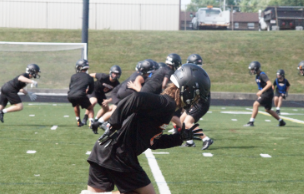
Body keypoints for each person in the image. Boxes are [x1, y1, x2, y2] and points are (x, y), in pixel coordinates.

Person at [81, 64, 210, 194]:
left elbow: (153, 142)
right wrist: (114, 124)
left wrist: (179, 138)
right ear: (186, 89)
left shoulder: (167, 107)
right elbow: (137, 98)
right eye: (196, 95)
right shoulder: (166, 103)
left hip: (103, 149)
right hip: (120, 154)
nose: (195, 100)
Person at [90, 60, 154, 134]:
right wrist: (135, 87)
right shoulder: (140, 76)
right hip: (122, 95)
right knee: (119, 112)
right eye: (149, 72)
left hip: (119, 94)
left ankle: (100, 123)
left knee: (116, 110)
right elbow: (141, 91)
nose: (150, 74)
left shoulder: (135, 74)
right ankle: (106, 125)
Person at [178, 54, 213, 150]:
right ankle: (189, 141)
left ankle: (206, 139)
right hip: (196, 103)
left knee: (187, 123)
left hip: (200, 104)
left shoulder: (197, 76)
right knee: (181, 120)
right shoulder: (198, 74)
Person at [244, 61, 286, 127]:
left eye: (252, 69)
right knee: (268, 110)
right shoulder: (257, 76)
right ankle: (281, 121)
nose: (251, 71)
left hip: (267, 93)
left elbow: (269, 84)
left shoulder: (262, 75)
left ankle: (251, 122)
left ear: (256, 68)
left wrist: (261, 92)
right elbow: (260, 87)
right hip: (266, 93)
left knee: (255, 104)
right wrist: (260, 94)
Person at [67, 59, 94, 127]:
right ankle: (91, 122)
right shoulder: (89, 77)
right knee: (90, 108)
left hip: (70, 95)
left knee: (76, 104)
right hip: (80, 95)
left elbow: (70, 87)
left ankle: (78, 121)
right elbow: (91, 89)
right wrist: (87, 92)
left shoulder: (73, 76)